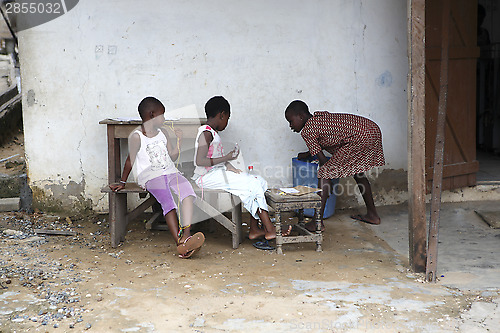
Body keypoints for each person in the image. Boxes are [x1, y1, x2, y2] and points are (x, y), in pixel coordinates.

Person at [109, 97, 204, 258]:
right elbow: (129, 161)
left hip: (170, 172)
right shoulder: (137, 136)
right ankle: (179, 244)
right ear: (152, 115)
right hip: (151, 177)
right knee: (168, 202)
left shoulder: (164, 133)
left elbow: (172, 156)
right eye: (162, 115)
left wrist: (179, 141)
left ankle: (186, 235)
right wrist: (123, 182)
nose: (164, 119)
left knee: (187, 192)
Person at [193, 96, 291, 242]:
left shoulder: (212, 133)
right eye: (227, 117)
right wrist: (226, 158)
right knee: (251, 184)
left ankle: (255, 229)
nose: (227, 122)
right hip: (204, 178)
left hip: (215, 173)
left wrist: (230, 167)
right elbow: (200, 161)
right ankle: (270, 229)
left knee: (258, 180)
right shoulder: (206, 133)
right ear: (222, 114)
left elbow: (213, 158)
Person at [285, 100, 385, 230]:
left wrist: (328, 181)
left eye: (291, 121)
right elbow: (328, 139)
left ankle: (317, 222)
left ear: (301, 117)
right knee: (358, 172)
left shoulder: (307, 130)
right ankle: (373, 215)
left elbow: (323, 162)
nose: (290, 126)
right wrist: (308, 154)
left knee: (324, 172)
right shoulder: (319, 118)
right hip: (370, 129)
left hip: (359, 137)